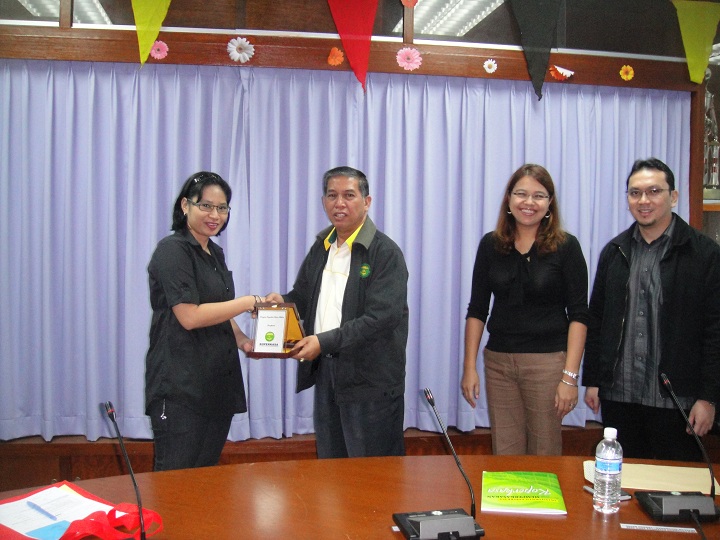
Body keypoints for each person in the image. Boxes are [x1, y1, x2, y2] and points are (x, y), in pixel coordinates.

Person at [265, 166, 409, 459]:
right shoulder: (322, 247)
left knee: (373, 474)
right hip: (327, 373)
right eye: (332, 196)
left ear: (367, 202)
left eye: (349, 195)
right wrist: (282, 303)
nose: (339, 203)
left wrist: (323, 341)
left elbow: (380, 319)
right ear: (323, 202)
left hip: (371, 382)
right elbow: (303, 297)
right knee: (331, 468)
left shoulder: (385, 253)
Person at [583, 158, 720, 461]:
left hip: (678, 401)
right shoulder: (615, 252)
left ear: (673, 196)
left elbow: (715, 331)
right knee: (623, 481)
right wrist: (593, 380)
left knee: (676, 485)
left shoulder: (704, 254)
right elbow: (598, 321)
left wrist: (709, 398)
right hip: (620, 397)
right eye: (635, 193)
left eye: (654, 191)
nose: (643, 200)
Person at [461, 164, 589, 455]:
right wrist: (469, 368)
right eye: (521, 194)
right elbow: (477, 309)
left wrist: (570, 377)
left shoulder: (566, 247)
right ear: (508, 198)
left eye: (539, 196)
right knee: (505, 452)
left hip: (547, 364)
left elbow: (579, 315)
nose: (529, 202)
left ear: (549, 203)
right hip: (499, 363)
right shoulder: (491, 245)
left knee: (545, 452)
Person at [145, 171, 264, 471]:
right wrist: (247, 301)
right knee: (175, 482)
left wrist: (243, 341)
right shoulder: (172, 250)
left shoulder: (214, 253)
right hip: (181, 388)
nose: (215, 215)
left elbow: (218, 310)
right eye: (206, 206)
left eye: (222, 208)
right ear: (186, 205)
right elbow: (189, 316)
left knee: (204, 479)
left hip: (216, 385)